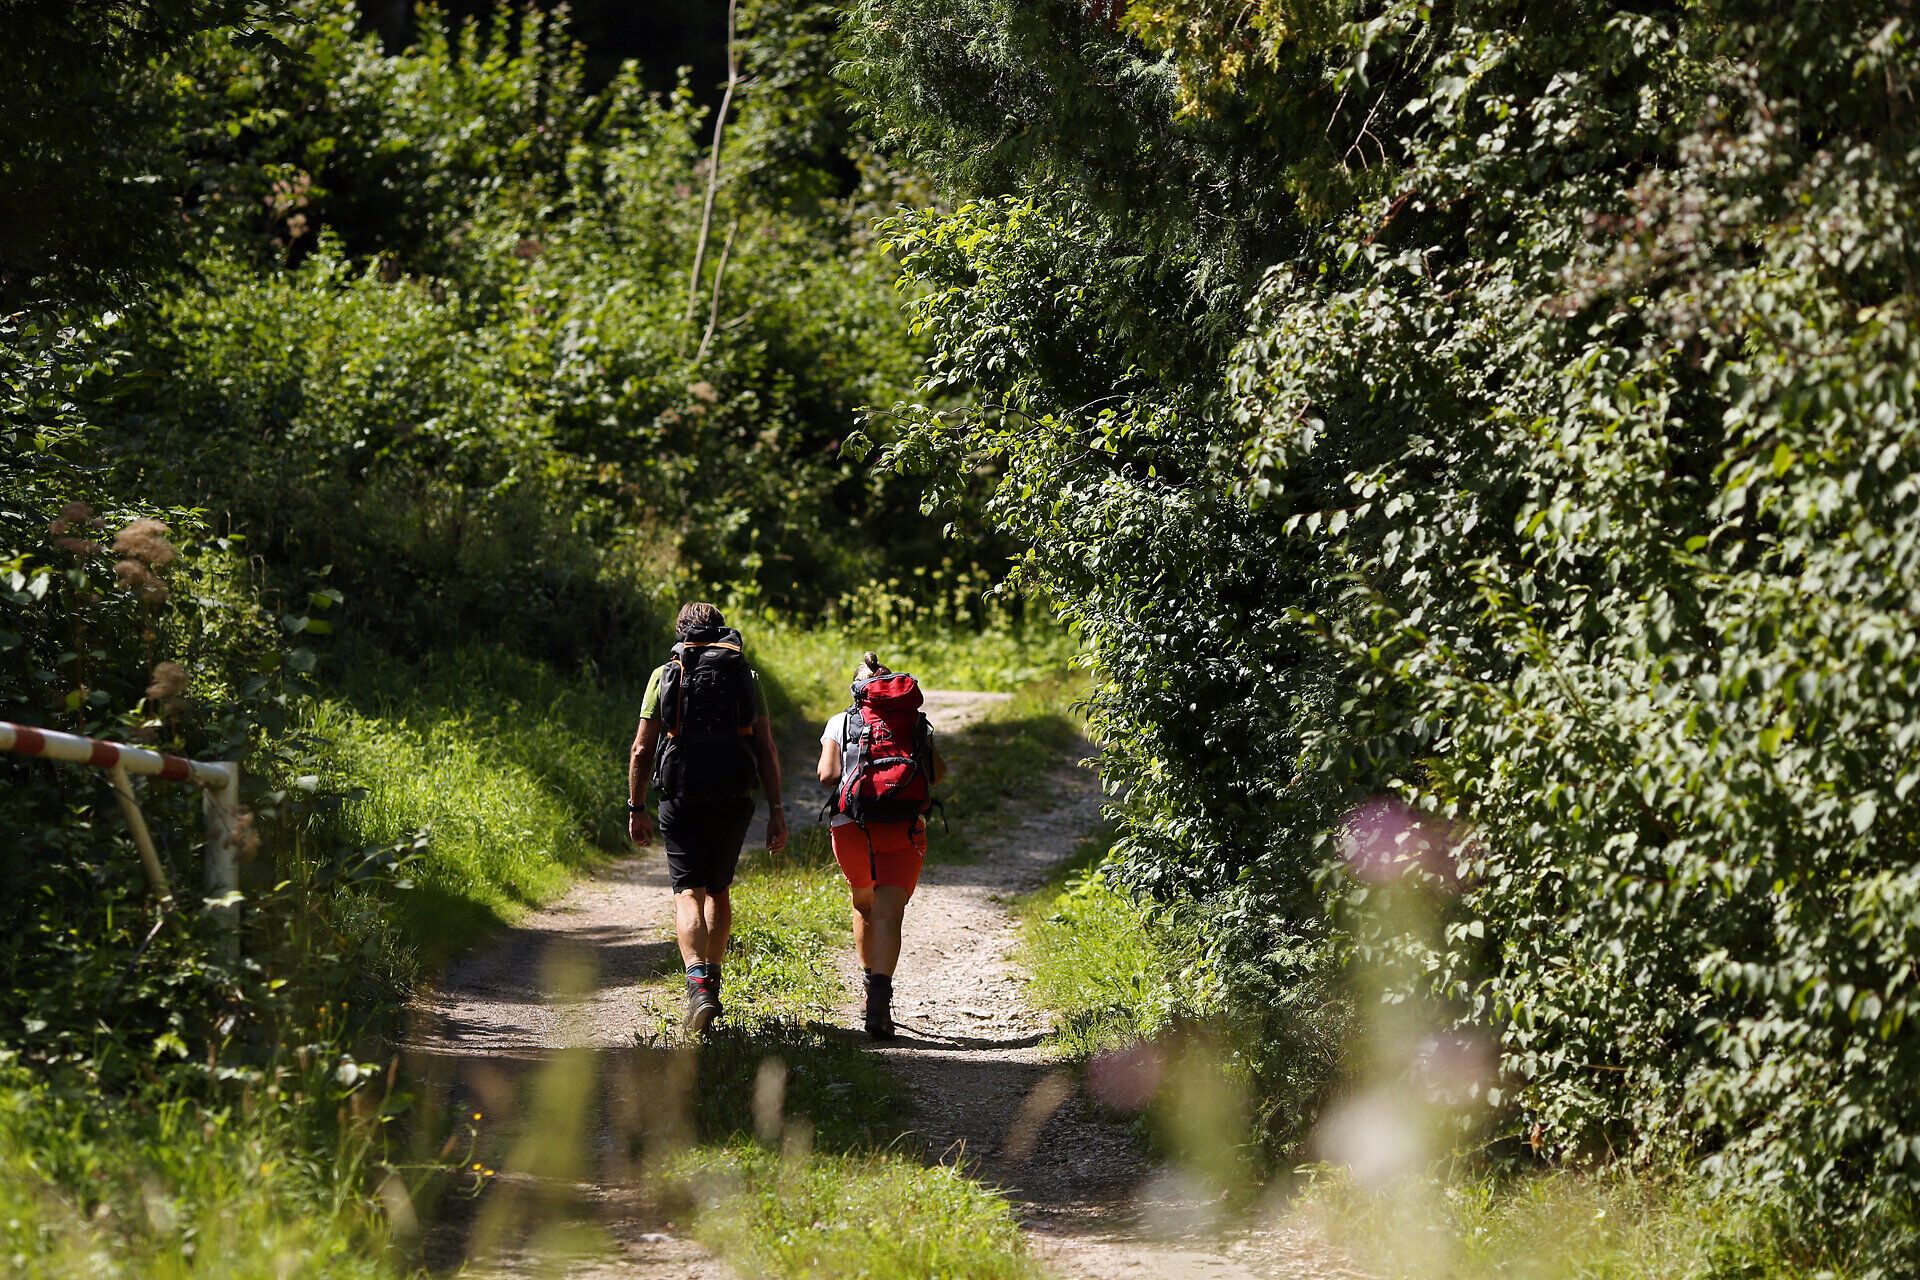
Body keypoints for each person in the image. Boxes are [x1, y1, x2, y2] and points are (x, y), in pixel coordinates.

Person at [628, 602, 788, 1035]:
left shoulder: (664, 676)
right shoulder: (746, 676)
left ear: (681, 633)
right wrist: (776, 810)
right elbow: (767, 748)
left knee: (687, 893)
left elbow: (643, 749)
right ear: (720, 631)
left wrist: (636, 807)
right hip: (735, 794)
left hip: (680, 794)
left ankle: (697, 988)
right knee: (718, 889)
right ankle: (712, 985)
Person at [817, 652, 945, 1039]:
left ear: (858, 692)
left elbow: (828, 776)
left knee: (864, 903)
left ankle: (866, 981)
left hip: (852, 827)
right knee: (890, 913)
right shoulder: (917, 723)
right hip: (905, 827)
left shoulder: (841, 722)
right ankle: (879, 1001)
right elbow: (936, 775)